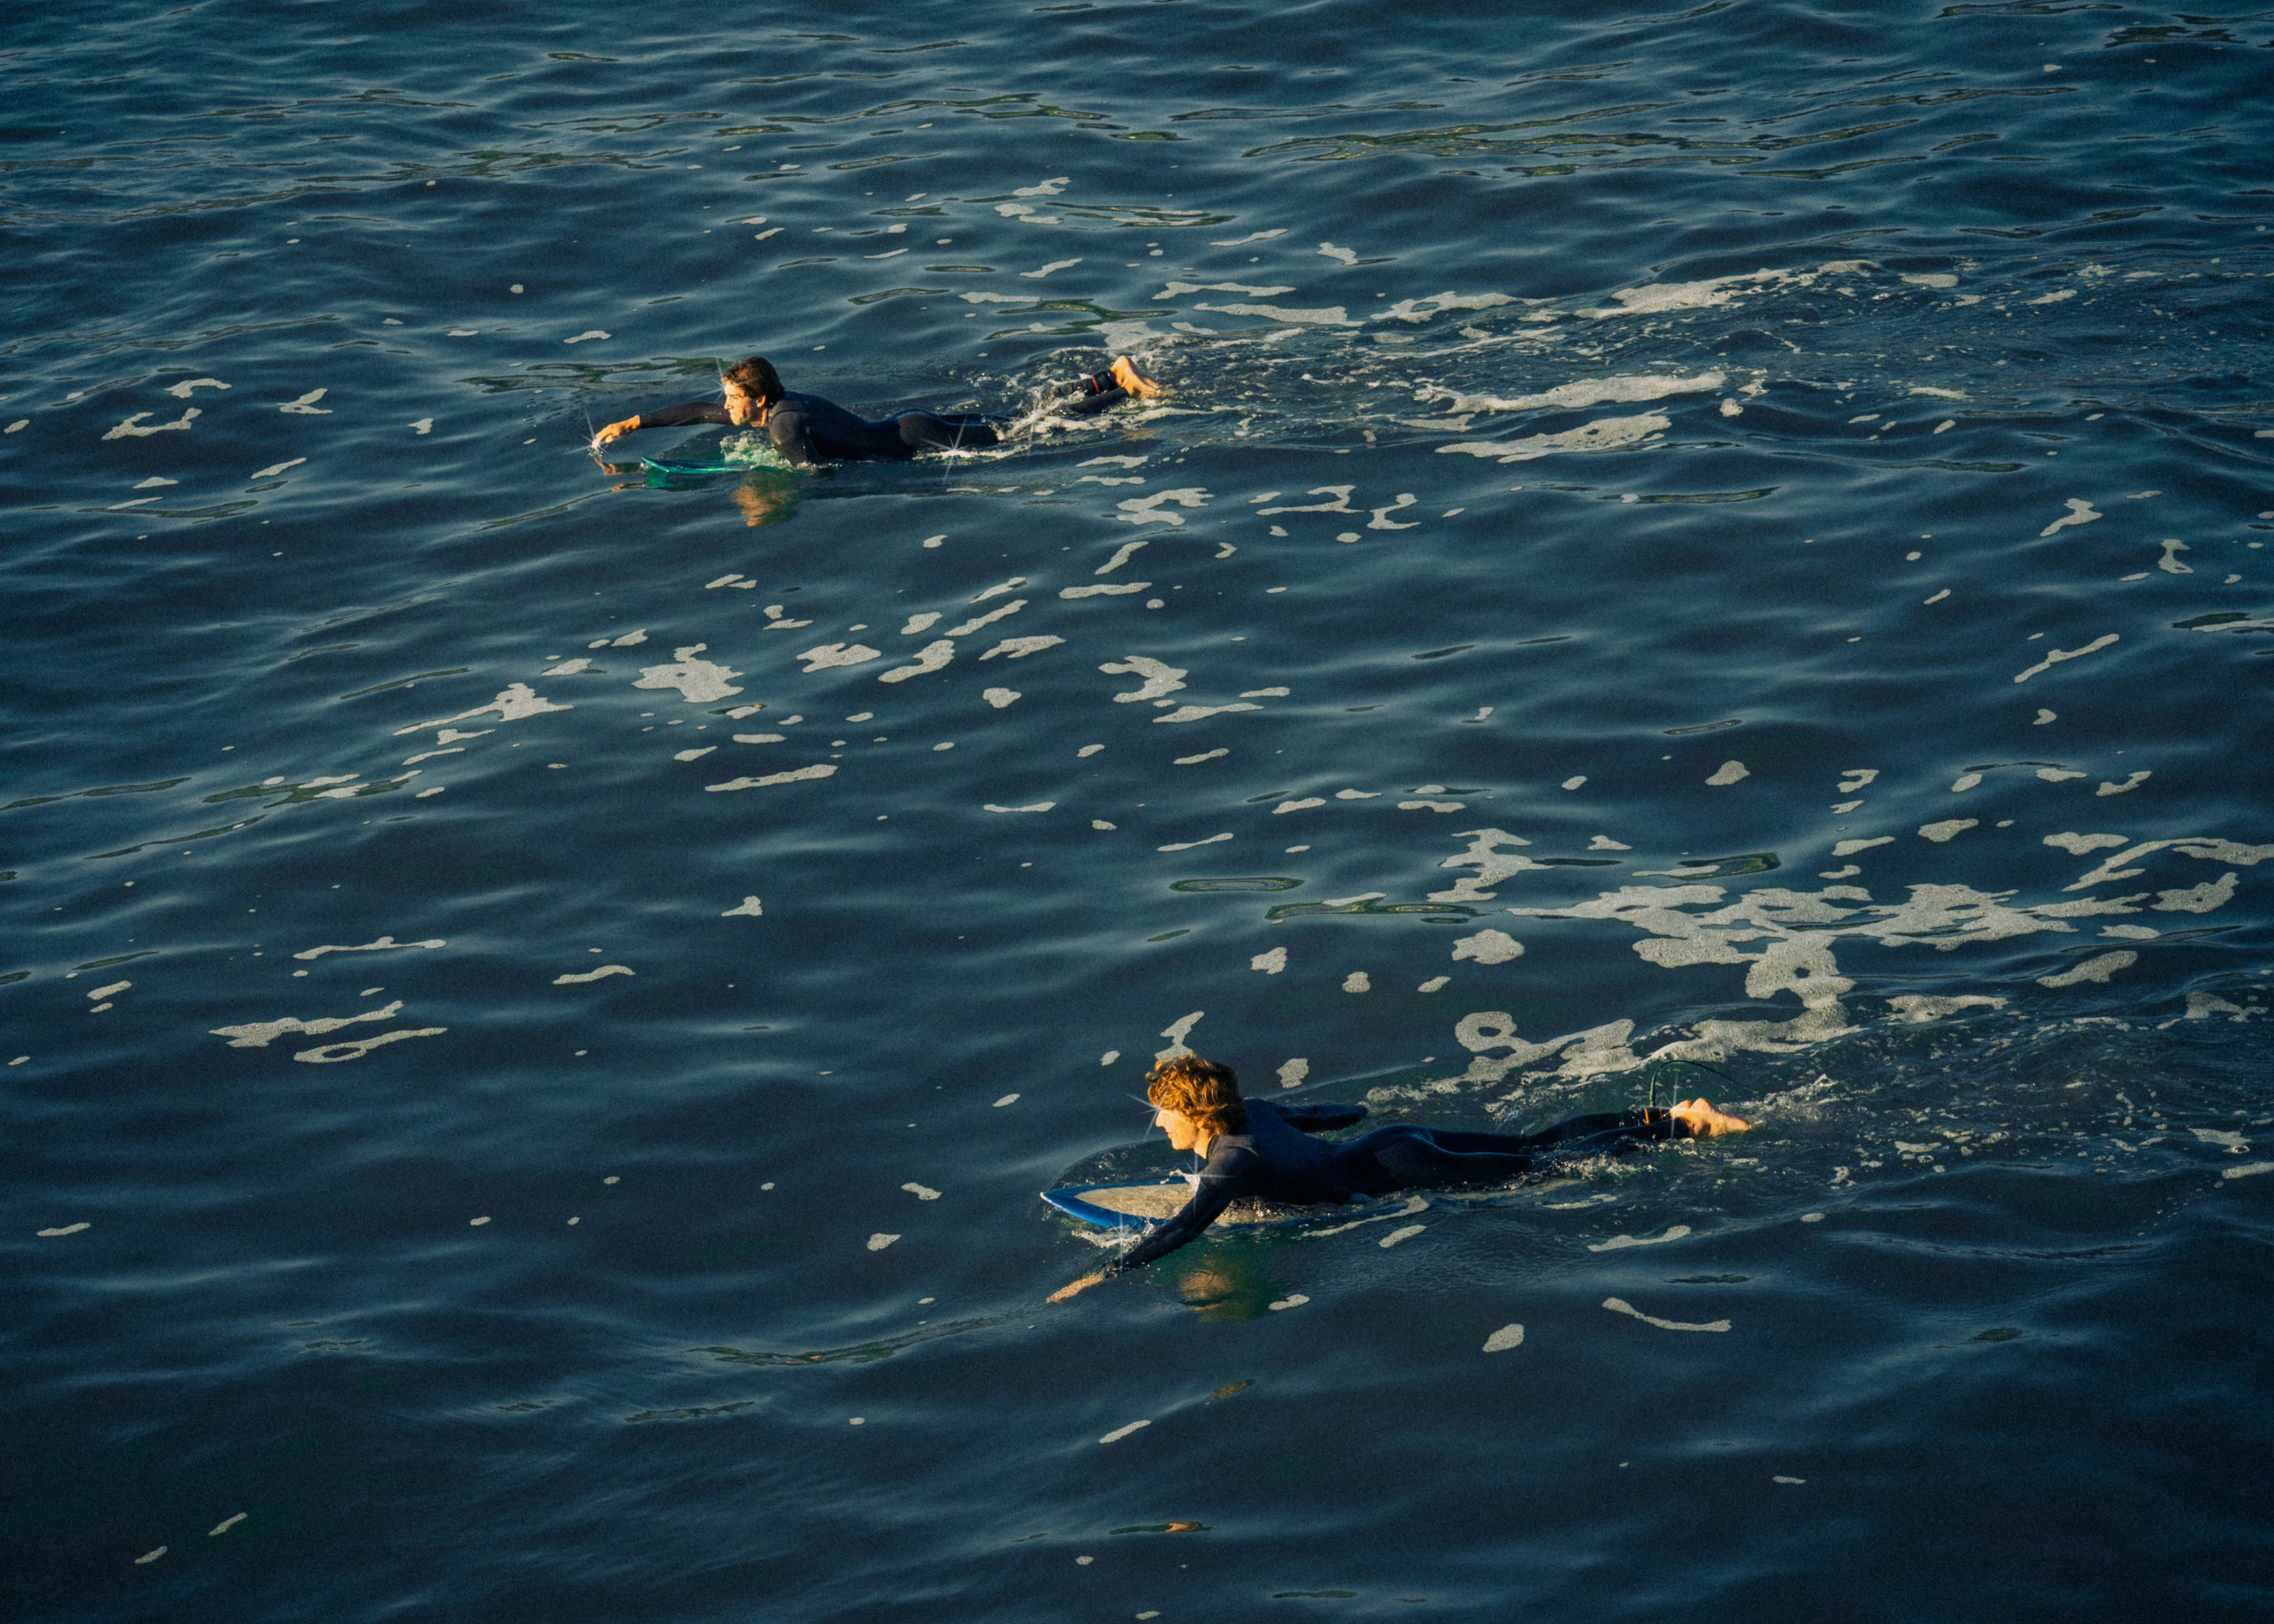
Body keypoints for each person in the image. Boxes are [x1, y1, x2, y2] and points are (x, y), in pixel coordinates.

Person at [1048, 1054, 1751, 1301]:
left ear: (1195, 1114)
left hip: (1403, 1170)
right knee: (1533, 1144)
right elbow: (1329, 1112)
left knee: (1543, 1170)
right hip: (1391, 1140)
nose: (1157, 1123)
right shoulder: (1252, 1113)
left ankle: (1685, 1127)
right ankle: (1664, 1114)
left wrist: (1105, 1274)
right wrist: (1362, 1114)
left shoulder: (1230, 1164)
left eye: (1162, 1114)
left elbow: (1183, 1226)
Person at [590, 353, 1163, 468]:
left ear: (758, 399)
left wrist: (760, 488)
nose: (724, 407)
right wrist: (632, 423)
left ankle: (1120, 391)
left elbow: (809, 472)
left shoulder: (783, 424)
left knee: (1031, 434)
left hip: (916, 440)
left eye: (733, 399)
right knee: (1025, 419)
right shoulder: (768, 411)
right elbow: (693, 412)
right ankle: (1109, 376)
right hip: (911, 425)